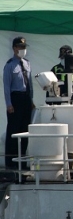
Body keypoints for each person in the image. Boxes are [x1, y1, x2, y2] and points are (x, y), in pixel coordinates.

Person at [3, 37, 34, 169]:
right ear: (15, 48)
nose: (23, 50)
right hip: (15, 98)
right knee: (14, 130)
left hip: (26, 98)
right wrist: (9, 104)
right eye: (20, 47)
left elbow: (30, 83)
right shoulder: (10, 65)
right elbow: (6, 87)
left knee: (24, 130)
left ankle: (22, 161)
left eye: (24, 47)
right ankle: (11, 162)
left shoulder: (27, 63)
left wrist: (31, 100)